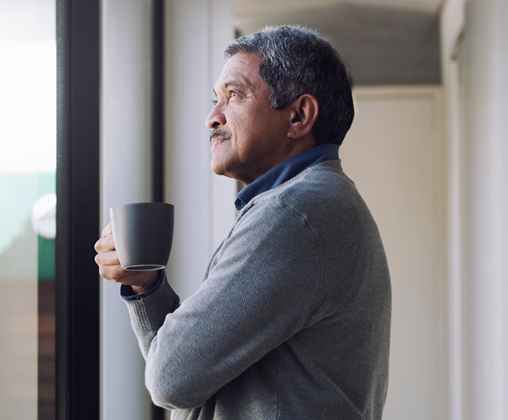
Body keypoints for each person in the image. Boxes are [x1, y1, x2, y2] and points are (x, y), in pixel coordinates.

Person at [94, 25, 390, 420]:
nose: (211, 118)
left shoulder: (294, 214)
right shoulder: (315, 204)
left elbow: (170, 378)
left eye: (233, 96)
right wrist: (145, 285)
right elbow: (188, 377)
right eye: (215, 99)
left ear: (299, 116)